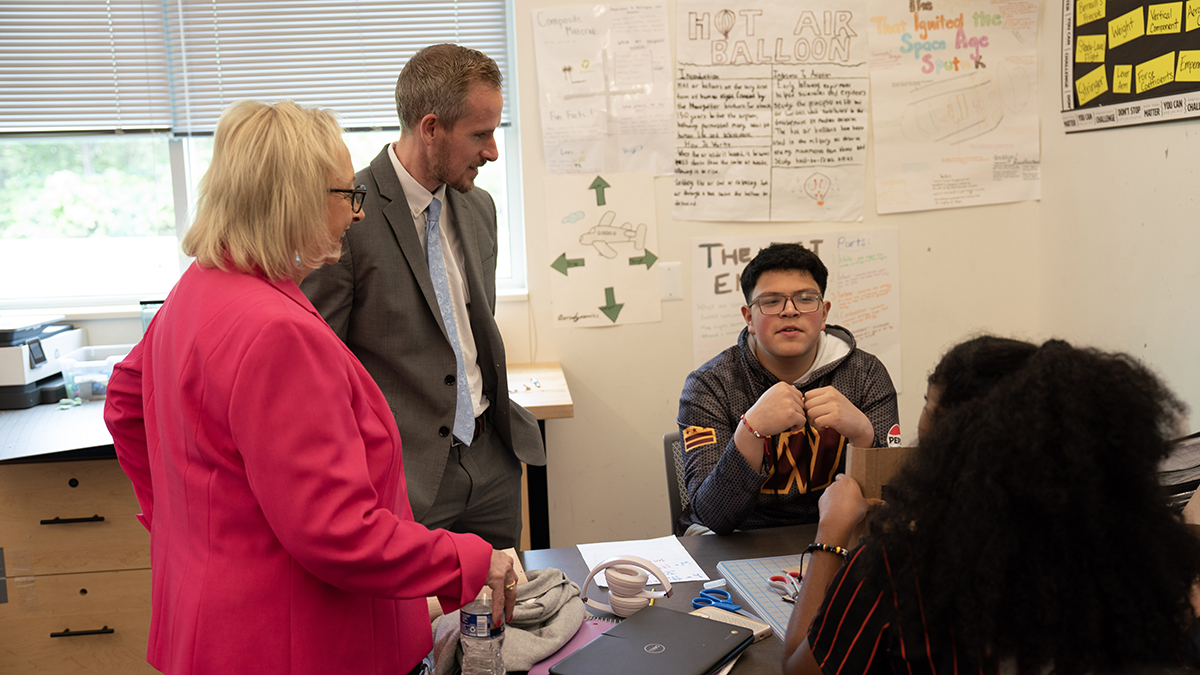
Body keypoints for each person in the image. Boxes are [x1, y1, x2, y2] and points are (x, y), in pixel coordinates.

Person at [104, 100, 517, 675]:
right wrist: (469, 559)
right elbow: (339, 532)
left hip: (208, 622)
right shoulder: (278, 332)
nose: (357, 214)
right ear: (293, 201)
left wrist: (185, 524)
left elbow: (125, 403)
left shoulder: (197, 286)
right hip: (288, 638)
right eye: (347, 195)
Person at [783, 338, 1200, 675]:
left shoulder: (900, 566)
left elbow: (800, 668)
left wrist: (830, 533)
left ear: (953, 439)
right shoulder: (1141, 561)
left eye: (927, 405)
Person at [301, 44, 542, 550]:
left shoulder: (480, 208)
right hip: (407, 479)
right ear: (430, 127)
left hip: (492, 463)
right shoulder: (346, 213)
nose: (493, 151)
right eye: (479, 134)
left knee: (508, 597)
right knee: (421, 605)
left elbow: (472, 333)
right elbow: (319, 372)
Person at [676, 243, 899, 535]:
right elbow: (713, 516)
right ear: (748, 317)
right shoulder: (709, 385)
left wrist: (864, 436)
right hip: (737, 538)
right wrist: (750, 430)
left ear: (824, 313)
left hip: (837, 533)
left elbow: (889, 504)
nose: (790, 311)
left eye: (806, 299)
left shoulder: (866, 374)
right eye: (771, 301)